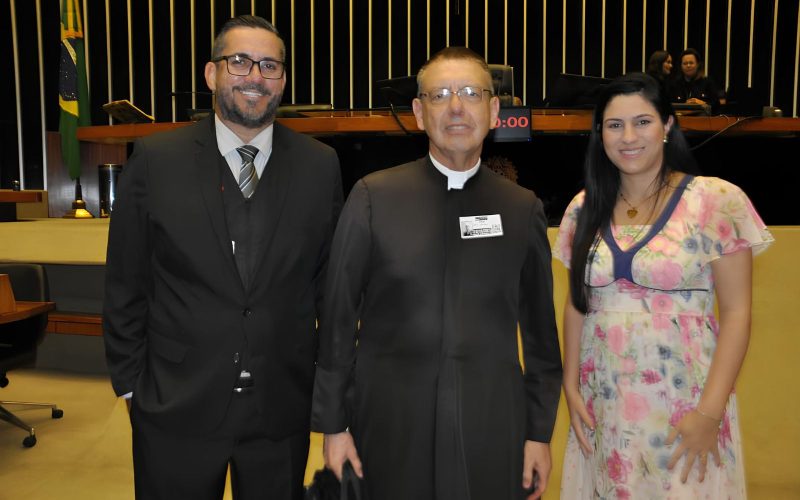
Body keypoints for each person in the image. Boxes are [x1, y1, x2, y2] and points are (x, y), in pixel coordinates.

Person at [103, 15, 343, 500]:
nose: (255, 76)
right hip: (175, 403)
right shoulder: (154, 160)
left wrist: (332, 391)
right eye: (240, 62)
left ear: (283, 80)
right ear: (212, 74)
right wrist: (131, 386)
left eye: (270, 65)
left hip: (281, 406)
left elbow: (329, 289)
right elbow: (126, 281)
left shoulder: (321, 165)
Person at [311, 47, 563, 500]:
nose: (456, 107)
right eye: (440, 95)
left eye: (471, 93)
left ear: (494, 110)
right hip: (390, 421)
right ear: (418, 112)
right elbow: (337, 321)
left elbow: (542, 339)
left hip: (491, 422)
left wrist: (538, 433)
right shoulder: (373, 198)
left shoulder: (521, 208)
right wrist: (334, 425)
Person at [554, 73, 773, 498]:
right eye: (614, 125)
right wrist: (570, 384)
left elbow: (737, 313)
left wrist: (709, 414)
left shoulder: (715, 200)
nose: (628, 137)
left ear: (667, 125)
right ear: (599, 133)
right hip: (605, 404)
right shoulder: (583, 208)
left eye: (643, 122)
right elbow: (578, 303)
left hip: (686, 405)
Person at [668, 48, 721, 113]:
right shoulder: (674, 84)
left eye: (691, 63)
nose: (688, 65)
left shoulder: (708, 83)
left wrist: (703, 104)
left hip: (703, 118)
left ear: (698, 64)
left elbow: (717, 107)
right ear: (681, 66)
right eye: (685, 63)